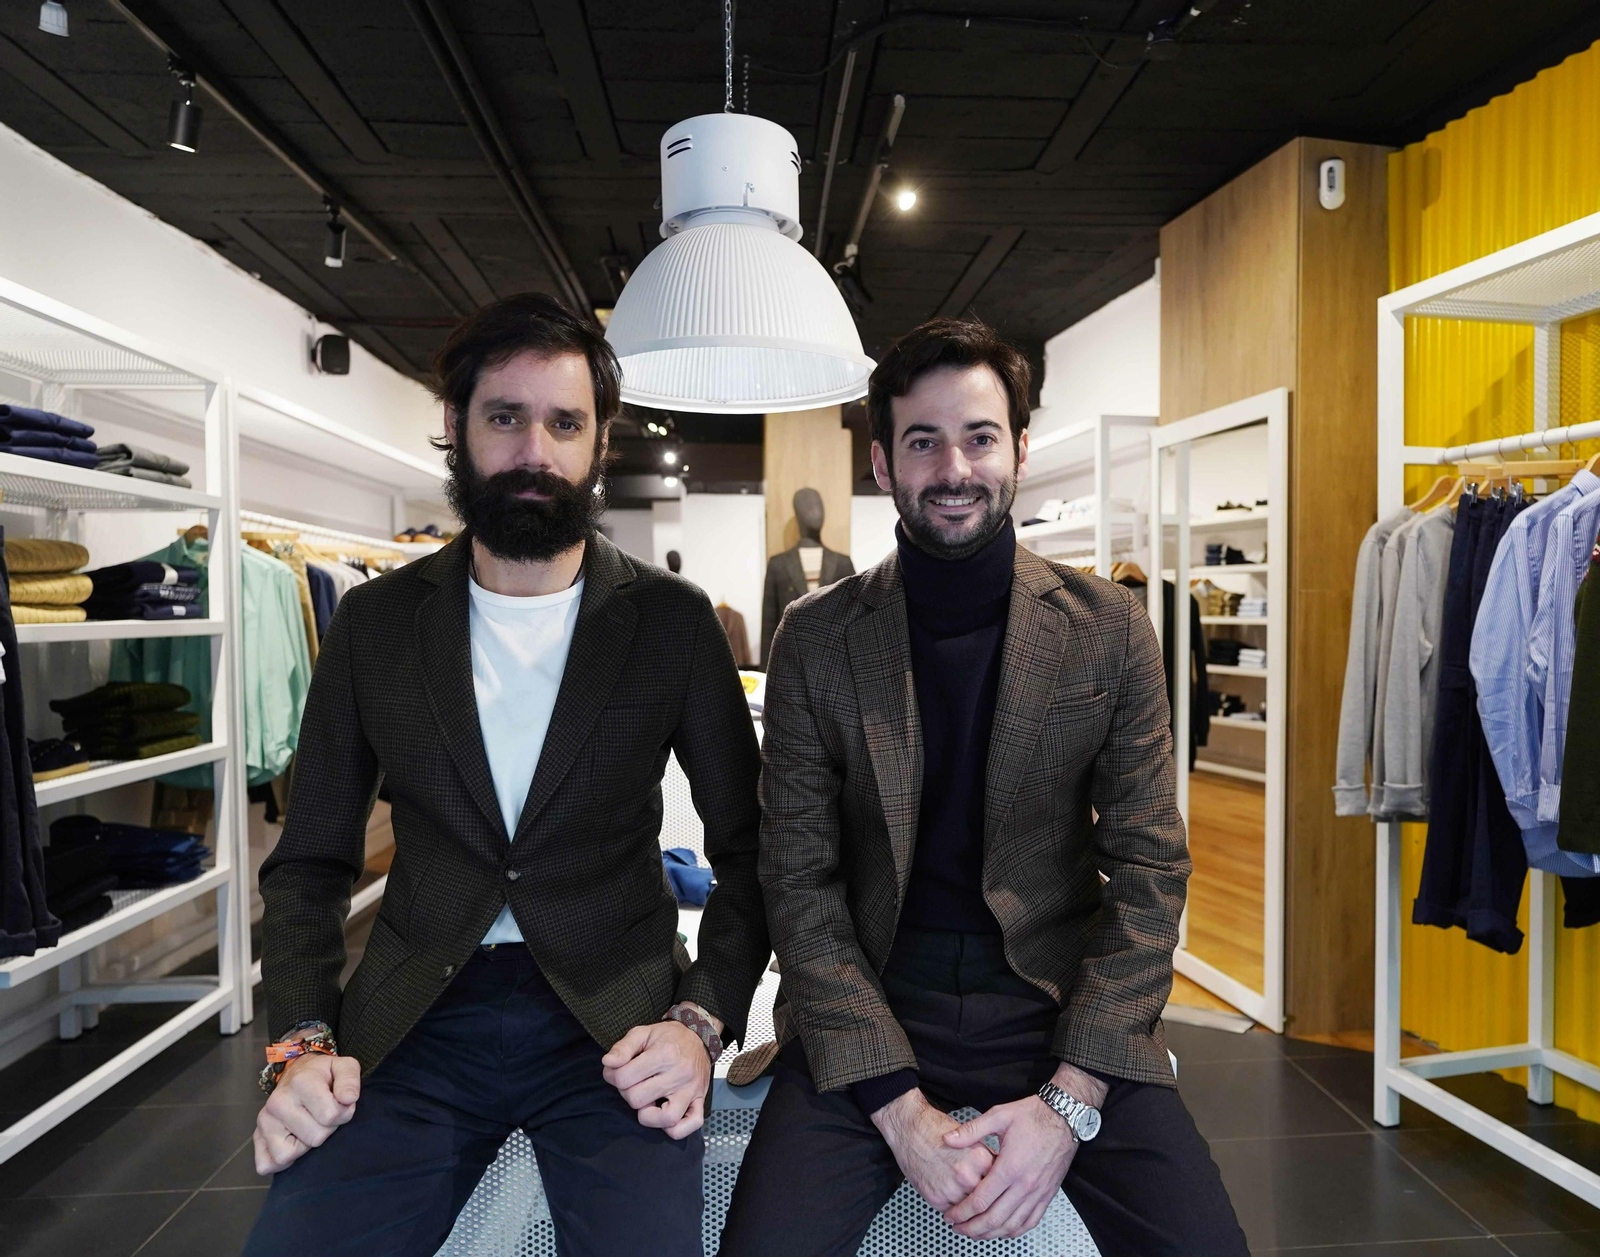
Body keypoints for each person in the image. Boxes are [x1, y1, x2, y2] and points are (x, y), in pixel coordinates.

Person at [244, 293, 770, 1257]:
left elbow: (753, 851)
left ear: (600, 441)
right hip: (419, 1013)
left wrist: (703, 1018)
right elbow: (312, 862)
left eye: (565, 423)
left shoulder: (670, 624)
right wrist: (301, 1042)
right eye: (505, 417)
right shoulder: (376, 626)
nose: (536, 449)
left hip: (614, 1016)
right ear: (456, 427)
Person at [718, 317, 1248, 1255]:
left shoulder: (1108, 628)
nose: (953, 466)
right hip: (872, 1001)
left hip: (1055, 1005)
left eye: (979, 436)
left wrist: (1072, 1100)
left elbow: (1150, 869)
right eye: (923, 441)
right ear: (883, 463)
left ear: (1019, 450)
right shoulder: (818, 636)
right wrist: (895, 1107)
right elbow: (798, 880)